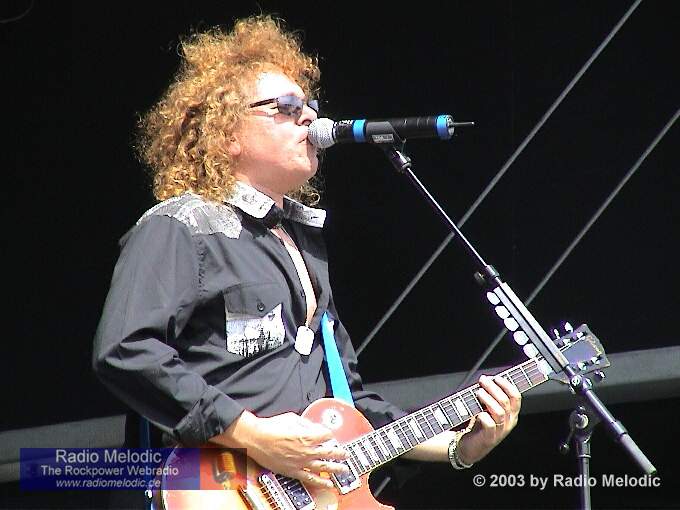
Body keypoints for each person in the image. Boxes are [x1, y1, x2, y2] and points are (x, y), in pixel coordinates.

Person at [93, 14, 521, 495]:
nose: (310, 118)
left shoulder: (305, 244)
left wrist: (460, 447)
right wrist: (253, 435)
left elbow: (350, 406)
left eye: (310, 106)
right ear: (227, 134)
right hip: (220, 489)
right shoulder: (181, 225)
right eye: (287, 107)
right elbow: (126, 350)